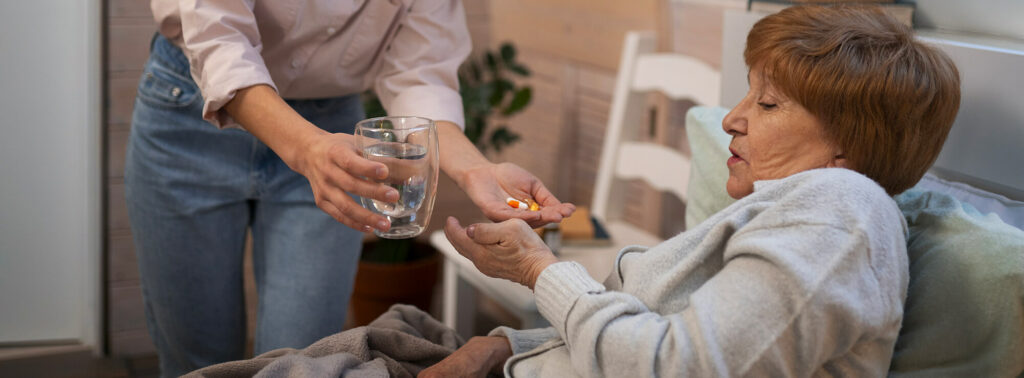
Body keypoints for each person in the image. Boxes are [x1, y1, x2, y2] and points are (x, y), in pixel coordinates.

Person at [426, 5, 961, 377]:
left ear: (848, 147)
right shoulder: (798, 209)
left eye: (768, 105)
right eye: (746, 96)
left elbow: (674, 369)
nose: (731, 119)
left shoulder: (842, 214)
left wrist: (538, 271)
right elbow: (661, 332)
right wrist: (503, 347)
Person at [125, 0, 573, 376]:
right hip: (188, 113)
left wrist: (477, 169)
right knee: (196, 358)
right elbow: (218, 37)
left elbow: (421, 73)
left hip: (333, 135)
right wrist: (305, 147)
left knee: (305, 360)